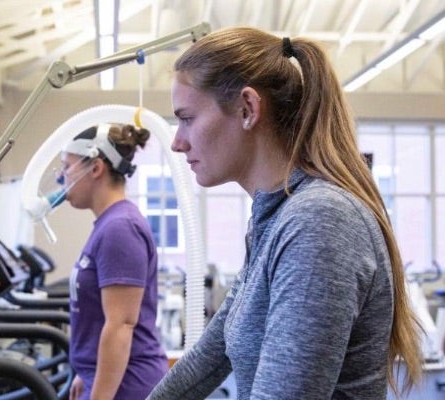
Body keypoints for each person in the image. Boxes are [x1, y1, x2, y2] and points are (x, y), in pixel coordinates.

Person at [147, 26, 423, 399]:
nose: (177, 143)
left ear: (248, 109)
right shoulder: (273, 219)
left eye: (187, 118)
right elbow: (208, 359)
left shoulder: (319, 221)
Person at [62, 123, 168, 400]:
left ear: (95, 168)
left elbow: (120, 326)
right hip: (106, 379)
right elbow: (98, 315)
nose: (63, 178)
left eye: (67, 167)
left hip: (127, 385)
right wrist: (86, 372)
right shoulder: (109, 224)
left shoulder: (120, 228)